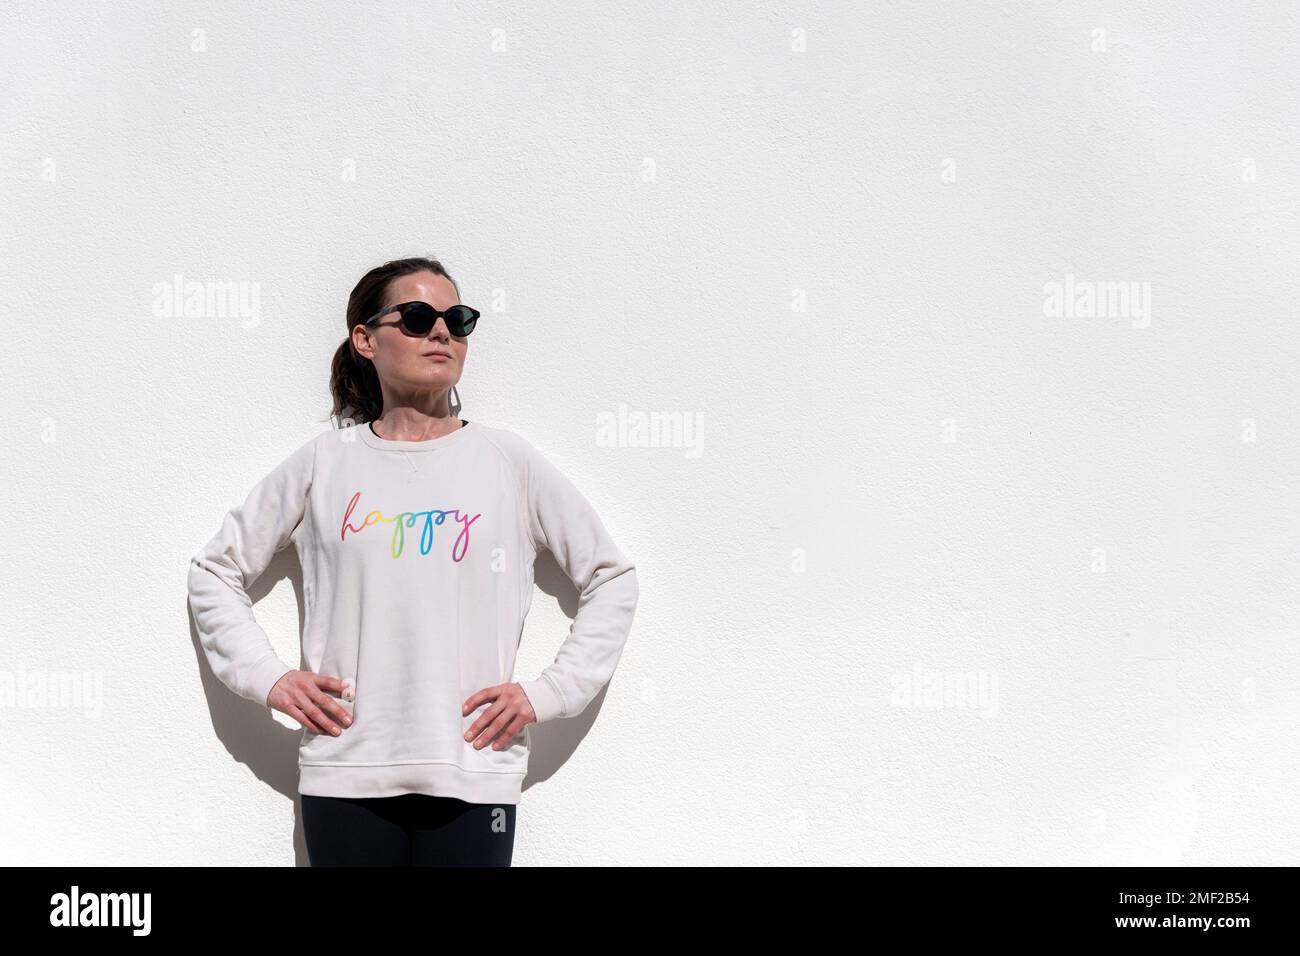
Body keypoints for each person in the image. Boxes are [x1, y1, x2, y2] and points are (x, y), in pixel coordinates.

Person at [187, 256, 640, 866]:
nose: (442, 332)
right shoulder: (325, 462)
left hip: (475, 774)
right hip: (344, 775)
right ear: (365, 339)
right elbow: (215, 571)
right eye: (420, 316)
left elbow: (611, 577)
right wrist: (270, 678)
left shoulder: (508, 462)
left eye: (458, 318)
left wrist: (552, 691)